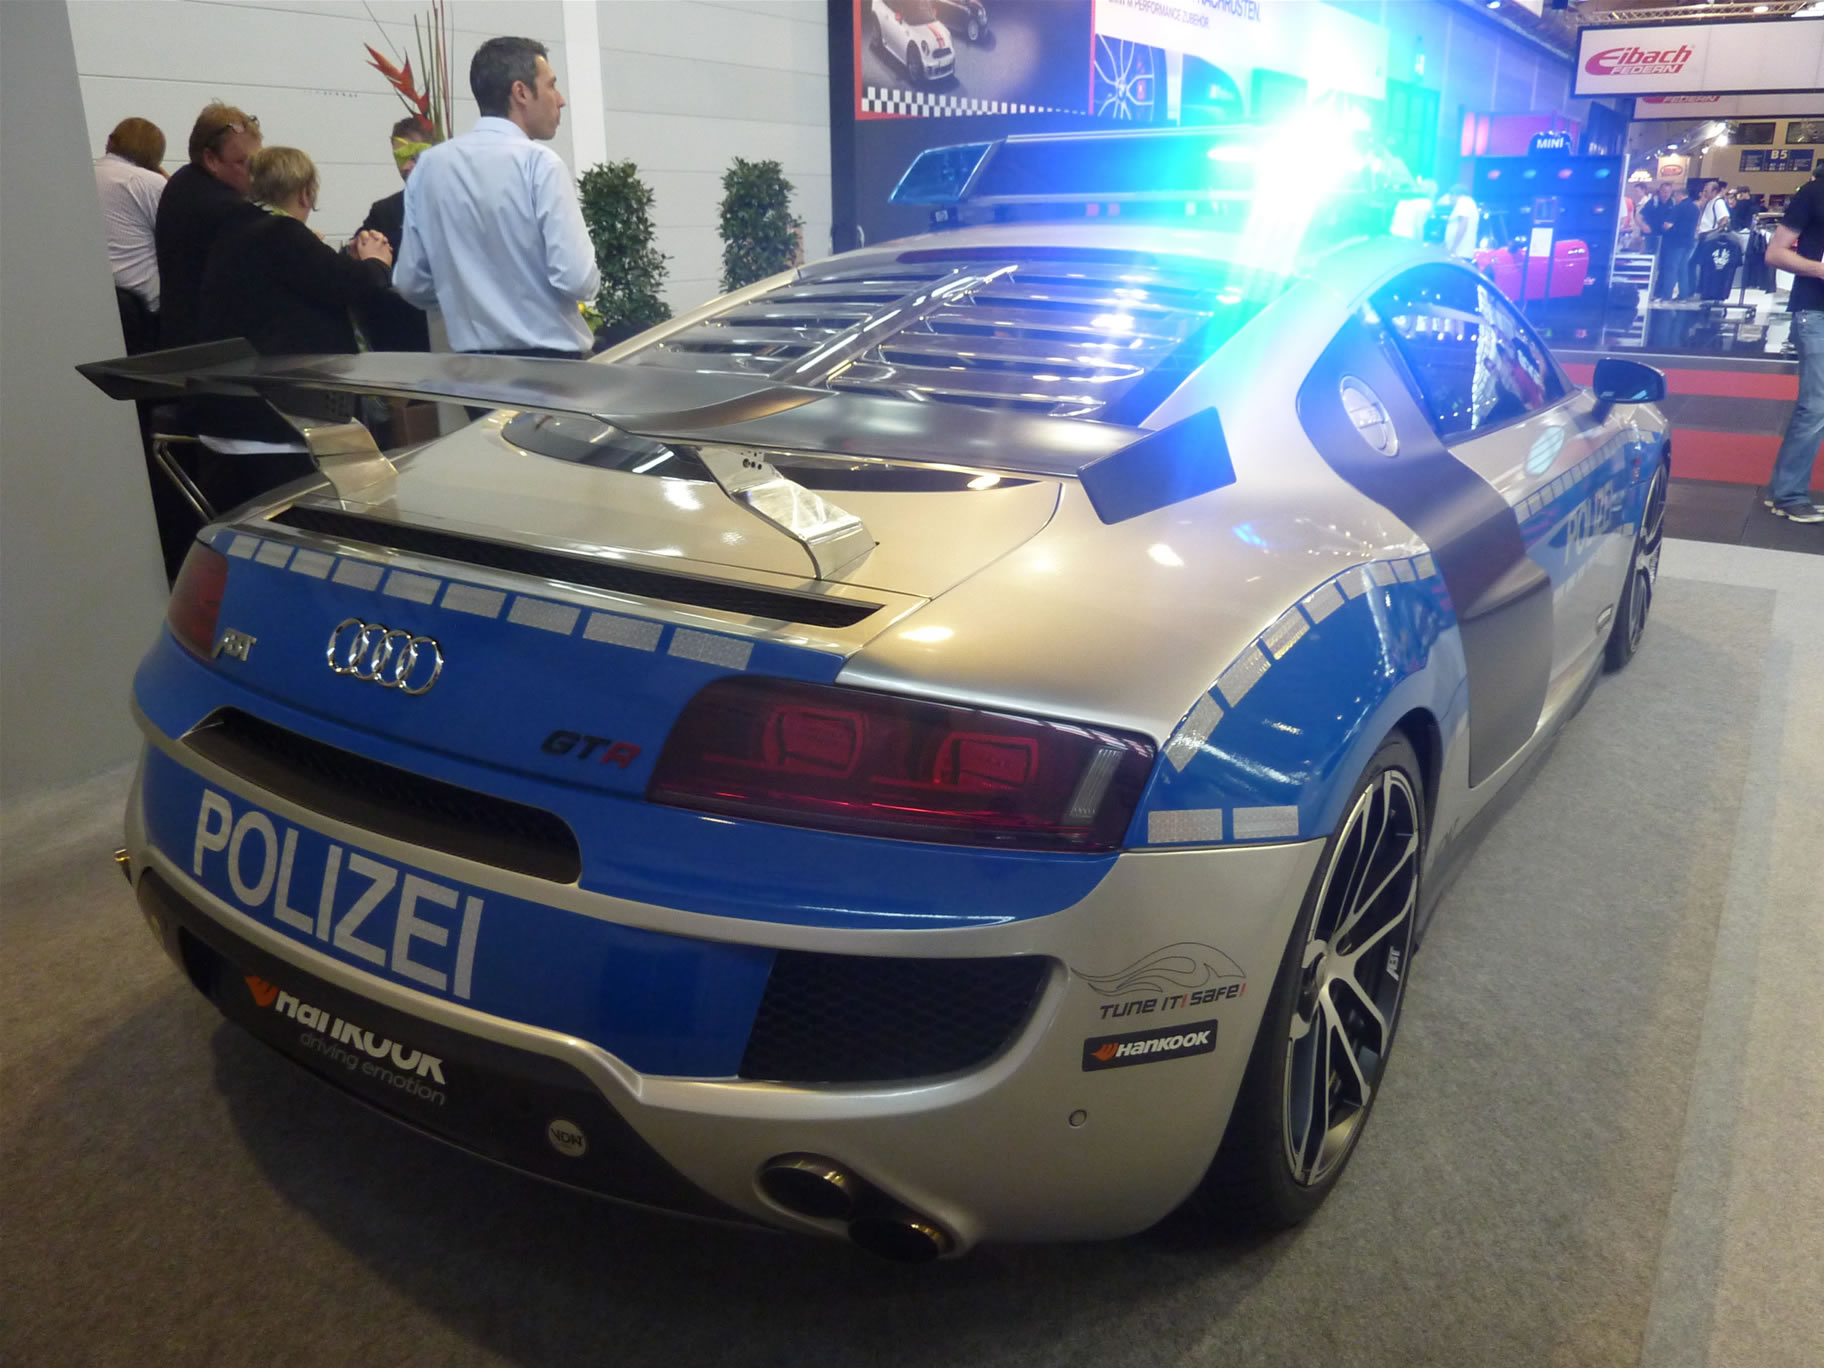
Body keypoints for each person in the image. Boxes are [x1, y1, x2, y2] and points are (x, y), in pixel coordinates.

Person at [394, 35, 600, 358]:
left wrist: (465, 299)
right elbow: (576, 279)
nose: (560, 100)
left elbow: (410, 283)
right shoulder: (539, 164)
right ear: (521, 92)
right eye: (551, 85)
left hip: (472, 369)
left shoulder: (428, 167)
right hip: (549, 366)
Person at [199, 146, 394, 359]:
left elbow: (314, 277)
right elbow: (345, 284)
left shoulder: (238, 225)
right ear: (305, 194)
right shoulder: (282, 232)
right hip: (286, 366)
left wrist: (349, 258)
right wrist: (377, 262)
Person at [154, 103, 264, 348]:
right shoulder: (228, 210)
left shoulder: (181, 183)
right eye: (244, 163)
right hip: (217, 351)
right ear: (211, 159)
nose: (255, 175)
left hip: (183, 342)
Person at [1763, 166, 1824, 523]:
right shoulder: (1815, 193)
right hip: (1814, 312)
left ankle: (1784, 492)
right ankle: (1789, 494)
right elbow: (1775, 253)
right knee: (1815, 406)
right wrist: (1819, 269)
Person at [354, 115, 434, 350]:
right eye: (399, 158)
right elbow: (359, 248)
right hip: (398, 332)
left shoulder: (457, 205)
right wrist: (361, 245)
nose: (405, 167)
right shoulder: (384, 211)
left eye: (413, 156)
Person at [93, 117, 167, 354]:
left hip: (94, 302)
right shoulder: (150, 183)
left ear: (109, 142)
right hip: (144, 314)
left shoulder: (83, 177)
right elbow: (178, 237)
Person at [1646, 182, 1698, 300]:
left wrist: (1663, 227)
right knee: (1683, 268)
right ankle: (1684, 294)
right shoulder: (1694, 208)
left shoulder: (1679, 207)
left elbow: (1668, 224)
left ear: (1679, 195)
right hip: (1689, 242)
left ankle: (1666, 295)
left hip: (1676, 242)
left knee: (1671, 269)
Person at [1442, 184, 1480, 261]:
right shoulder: (1465, 203)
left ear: (1454, 194)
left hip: (1460, 252)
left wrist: (1453, 248)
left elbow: (1463, 225)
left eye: (1449, 197)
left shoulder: (1464, 202)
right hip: (1458, 252)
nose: (1449, 200)